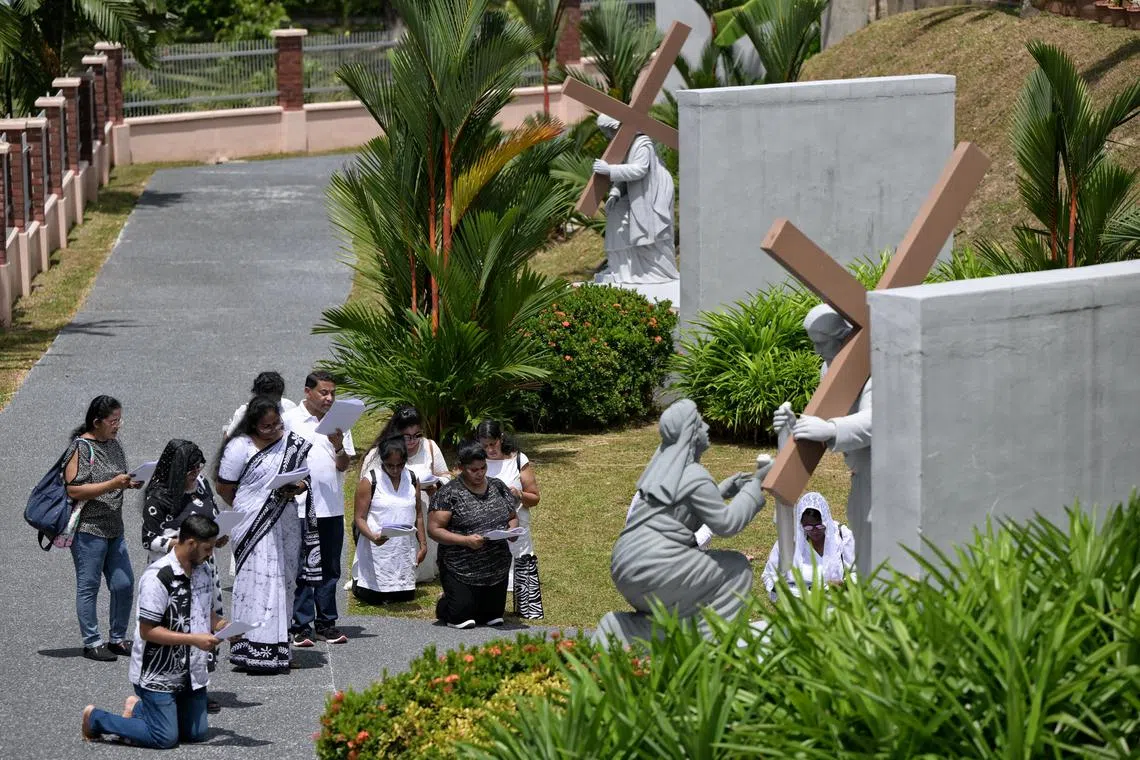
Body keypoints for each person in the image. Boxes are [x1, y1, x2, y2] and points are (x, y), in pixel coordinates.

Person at [594, 399, 770, 646]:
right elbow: (727, 524)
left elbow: (676, 513)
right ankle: (710, 649)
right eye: (700, 424)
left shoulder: (661, 474)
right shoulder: (694, 474)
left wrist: (720, 492)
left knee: (680, 606)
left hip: (626, 566)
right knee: (736, 569)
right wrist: (756, 485)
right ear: (690, 433)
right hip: (659, 565)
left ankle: (623, 630)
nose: (707, 427)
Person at [81, 515, 225, 748]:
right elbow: (148, 631)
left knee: (196, 734)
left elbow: (205, 613)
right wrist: (194, 640)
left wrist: (223, 626)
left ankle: (138, 708)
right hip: (158, 674)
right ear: (190, 544)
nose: (211, 554)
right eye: (207, 548)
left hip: (191, 673)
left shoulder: (204, 570)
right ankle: (95, 718)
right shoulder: (158, 577)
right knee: (164, 738)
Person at [214, 396, 316, 674]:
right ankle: (253, 646)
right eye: (266, 426)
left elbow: (306, 476)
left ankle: (280, 647)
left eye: (277, 424)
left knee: (283, 581)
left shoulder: (291, 444)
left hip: (285, 519)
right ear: (254, 426)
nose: (274, 430)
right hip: (251, 522)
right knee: (257, 583)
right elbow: (224, 486)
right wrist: (251, 504)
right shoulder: (239, 447)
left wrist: (297, 487)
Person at [773, 304, 872, 570]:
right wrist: (794, 426)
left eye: (822, 343)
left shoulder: (873, 366)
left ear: (844, 336)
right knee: (864, 540)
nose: (817, 351)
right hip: (860, 473)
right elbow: (826, 413)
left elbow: (879, 419)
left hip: (884, 477)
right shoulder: (828, 369)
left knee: (876, 543)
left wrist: (831, 430)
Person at [141, 440, 228, 713]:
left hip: (206, 567)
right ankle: (173, 690)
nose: (196, 473)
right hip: (174, 570)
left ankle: (199, 688)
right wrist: (182, 544)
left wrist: (216, 537)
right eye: (190, 469)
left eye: (198, 467)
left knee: (205, 621)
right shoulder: (158, 496)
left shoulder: (201, 484)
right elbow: (148, 539)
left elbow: (212, 516)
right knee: (179, 626)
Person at [64, 395, 143, 662]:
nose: (117, 426)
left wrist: (129, 483)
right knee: (89, 586)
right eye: (113, 421)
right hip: (88, 529)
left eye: (119, 420)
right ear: (97, 422)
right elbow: (73, 489)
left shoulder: (114, 445)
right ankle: (92, 641)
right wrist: (113, 484)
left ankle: (117, 638)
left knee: (123, 584)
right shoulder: (81, 448)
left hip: (114, 528)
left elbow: (116, 478)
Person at [282, 370, 354, 647]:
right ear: (307, 391)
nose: (329, 398)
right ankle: (301, 625)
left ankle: (327, 622)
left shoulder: (339, 422)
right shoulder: (290, 421)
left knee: (330, 568)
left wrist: (338, 446)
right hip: (300, 507)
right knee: (301, 567)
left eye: (333, 393)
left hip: (331, 507)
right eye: (324, 392)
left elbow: (344, 465)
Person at [428, 441, 520, 629]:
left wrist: (512, 531)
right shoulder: (449, 493)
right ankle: (445, 603)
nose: (480, 473)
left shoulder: (497, 486)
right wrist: (465, 541)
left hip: (496, 566)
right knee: (461, 618)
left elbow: (512, 516)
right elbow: (434, 530)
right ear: (461, 468)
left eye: (483, 467)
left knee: (493, 617)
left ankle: (478, 600)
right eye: (473, 469)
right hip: (460, 566)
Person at [591, 113, 679, 301]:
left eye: (610, 131)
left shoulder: (641, 143)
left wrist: (609, 170)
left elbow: (639, 169)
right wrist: (615, 193)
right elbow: (626, 172)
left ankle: (655, 270)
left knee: (651, 231)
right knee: (615, 215)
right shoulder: (626, 144)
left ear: (617, 127)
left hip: (652, 191)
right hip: (635, 190)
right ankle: (623, 268)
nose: (609, 136)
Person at [359, 405, 450, 583]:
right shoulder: (379, 453)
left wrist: (436, 484)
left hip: (422, 510)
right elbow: (366, 483)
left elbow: (446, 475)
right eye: (406, 437)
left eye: (417, 435)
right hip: (388, 512)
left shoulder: (430, 447)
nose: (412, 441)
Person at [475, 420, 542, 619]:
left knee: (521, 561)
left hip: (517, 525)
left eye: (493, 444)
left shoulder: (519, 459)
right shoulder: (477, 462)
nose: (490, 450)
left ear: (501, 439)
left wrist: (519, 494)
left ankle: (526, 607)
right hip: (488, 525)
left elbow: (535, 497)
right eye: (484, 446)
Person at [352, 435, 427, 604]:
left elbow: (419, 514)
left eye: (400, 465)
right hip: (377, 546)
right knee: (375, 596)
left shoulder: (413, 478)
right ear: (382, 461)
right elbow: (359, 518)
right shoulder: (370, 480)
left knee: (403, 597)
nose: (395, 470)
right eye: (390, 465)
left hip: (403, 549)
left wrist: (423, 544)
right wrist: (373, 537)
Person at [761, 492, 855, 602]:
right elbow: (769, 575)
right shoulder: (790, 541)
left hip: (837, 604)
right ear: (801, 524)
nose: (815, 531)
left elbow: (861, 572)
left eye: (819, 526)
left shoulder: (842, 536)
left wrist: (844, 583)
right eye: (808, 527)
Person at [223, 371, 297, 438]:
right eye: (267, 400)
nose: (271, 406)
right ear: (257, 395)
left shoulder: (290, 407)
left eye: (276, 400)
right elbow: (228, 439)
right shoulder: (244, 413)